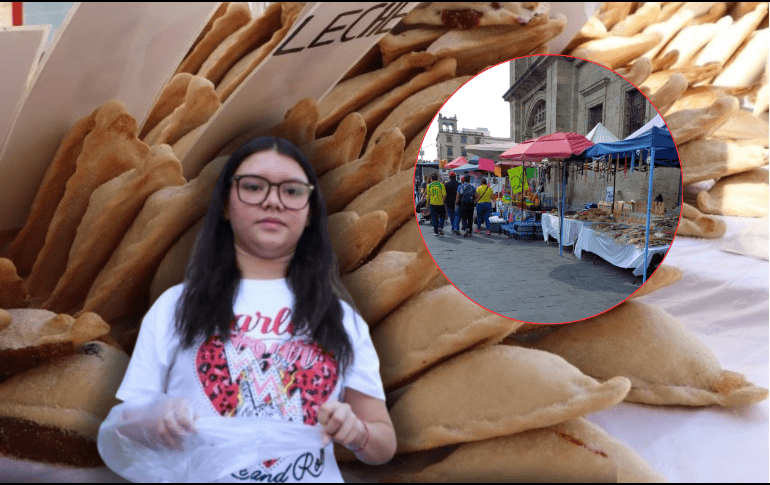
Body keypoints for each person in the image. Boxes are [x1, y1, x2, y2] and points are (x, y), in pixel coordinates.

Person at [103, 137, 396, 481]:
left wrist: (357, 432)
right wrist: (155, 418)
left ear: (310, 212)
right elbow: (122, 424)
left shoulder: (340, 318)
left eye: (292, 191)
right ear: (226, 205)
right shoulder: (176, 307)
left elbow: (383, 443)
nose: (273, 201)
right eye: (254, 188)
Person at [444, 171, 461, 235]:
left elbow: (445, 194)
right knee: (457, 215)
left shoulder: (446, 184)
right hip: (457, 203)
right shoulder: (459, 184)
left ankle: (453, 227)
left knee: (451, 216)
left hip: (448, 202)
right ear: (455, 177)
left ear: (449, 177)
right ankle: (456, 228)